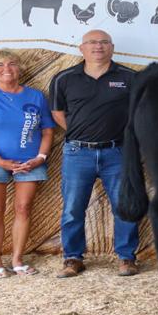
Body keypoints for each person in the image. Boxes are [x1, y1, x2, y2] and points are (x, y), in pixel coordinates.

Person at [49, 30, 139, 278]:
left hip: (118, 152)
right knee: (73, 208)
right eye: (92, 42)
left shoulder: (130, 77)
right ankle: (73, 258)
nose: (97, 46)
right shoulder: (64, 78)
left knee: (125, 206)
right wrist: (82, 133)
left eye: (103, 42)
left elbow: (140, 112)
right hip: (78, 152)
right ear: (82, 48)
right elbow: (58, 113)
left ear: (112, 47)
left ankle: (126, 257)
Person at [0, 51, 51, 278]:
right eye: (0, 65)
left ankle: (17, 260)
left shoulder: (36, 96)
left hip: (30, 162)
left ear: (20, 68)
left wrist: (40, 158)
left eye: (12, 64)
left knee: (23, 209)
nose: (6, 68)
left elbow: (47, 131)